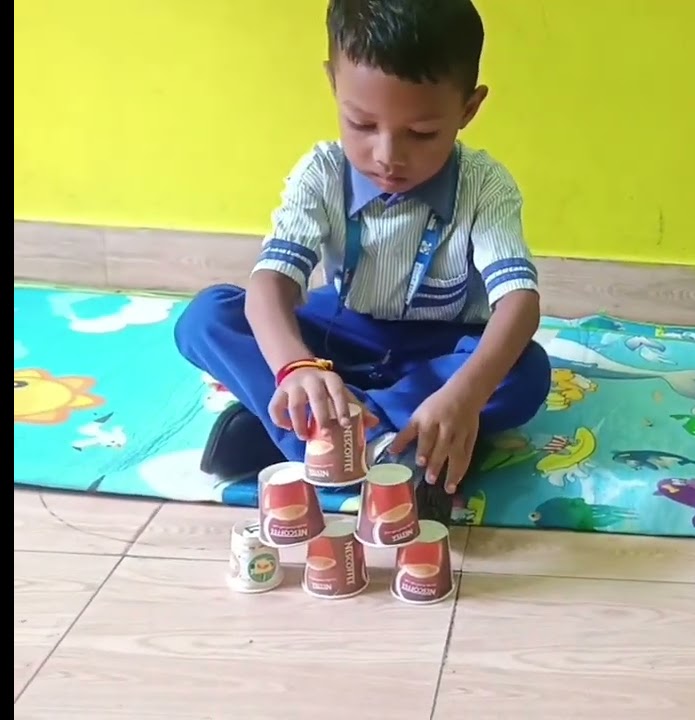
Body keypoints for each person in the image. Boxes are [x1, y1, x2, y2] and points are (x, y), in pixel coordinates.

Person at [174, 0, 551, 522]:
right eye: (361, 123)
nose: (387, 155)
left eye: (422, 133)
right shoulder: (321, 172)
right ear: (334, 84)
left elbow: (519, 303)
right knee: (208, 317)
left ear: (468, 109)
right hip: (339, 338)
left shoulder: (486, 186)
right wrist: (295, 366)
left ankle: (310, 434)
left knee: (524, 372)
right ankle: (388, 442)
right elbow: (272, 281)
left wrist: (464, 396)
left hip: (439, 352)